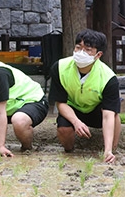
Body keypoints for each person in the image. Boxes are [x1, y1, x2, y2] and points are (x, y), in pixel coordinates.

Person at [48, 29, 121, 163]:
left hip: (96, 110)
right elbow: (60, 102)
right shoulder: (60, 68)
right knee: (63, 129)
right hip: (72, 109)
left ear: (98, 54)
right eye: (78, 48)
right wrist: (76, 122)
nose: (81, 53)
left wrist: (108, 149)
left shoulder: (108, 78)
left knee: (115, 117)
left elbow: (108, 114)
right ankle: (69, 152)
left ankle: (111, 151)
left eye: (88, 49)